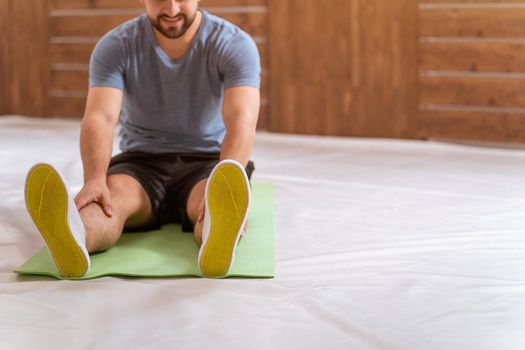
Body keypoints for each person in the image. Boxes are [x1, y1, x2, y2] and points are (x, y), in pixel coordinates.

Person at [24, 0, 260, 278]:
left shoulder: (234, 44)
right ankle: (75, 237)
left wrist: (224, 178)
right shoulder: (115, 45)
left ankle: (218, 238)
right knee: (110, 201)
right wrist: (95, 179)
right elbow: (100, 117)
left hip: (207, 160)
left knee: (213, 207)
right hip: (141, 162)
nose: (171, 10)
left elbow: (241, 118)